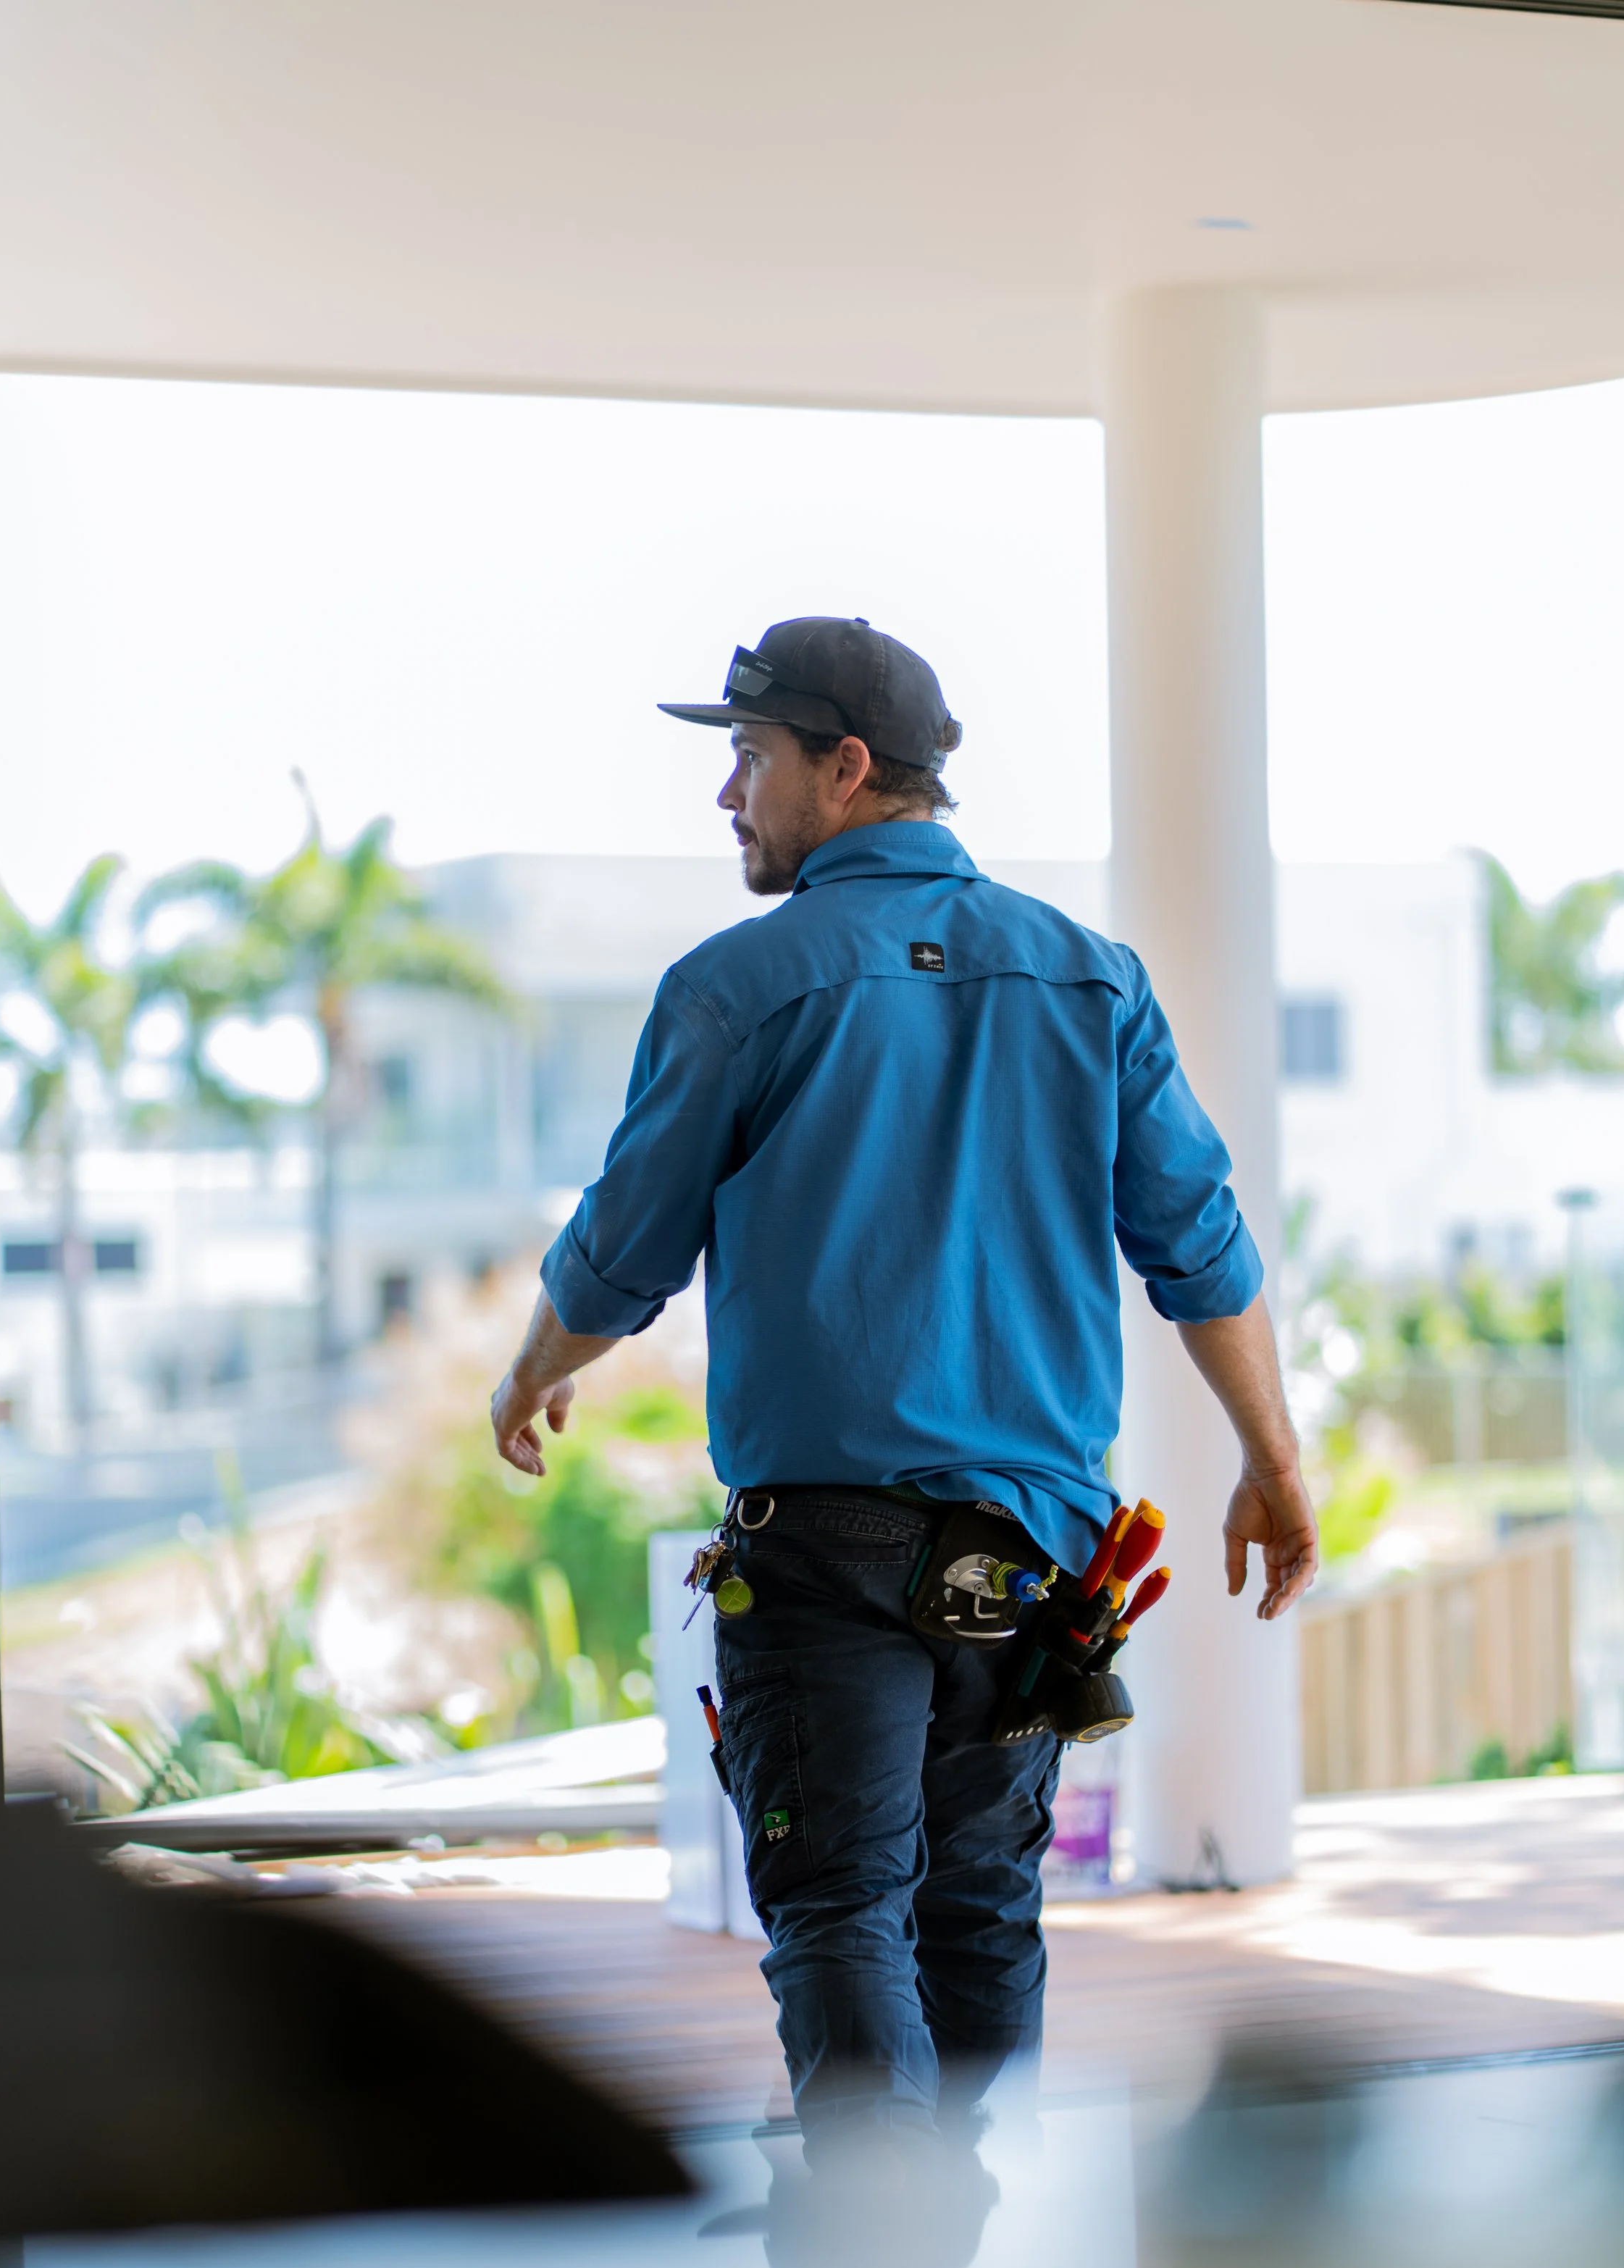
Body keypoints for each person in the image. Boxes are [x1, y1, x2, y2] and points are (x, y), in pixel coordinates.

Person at [491, 615, 1318, 2159]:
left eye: (747, 758)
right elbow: (1199, 1245)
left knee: (835, 1909)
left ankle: (890, 2249)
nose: (725, 797)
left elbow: (624, 1247)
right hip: (1034, 1554)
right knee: (982, 1911)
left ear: (844, 766)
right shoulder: (1092, 981)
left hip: (828, 1548)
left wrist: (533, 1368)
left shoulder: (740, 984)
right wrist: (1272, 1460)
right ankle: (953, 2235)